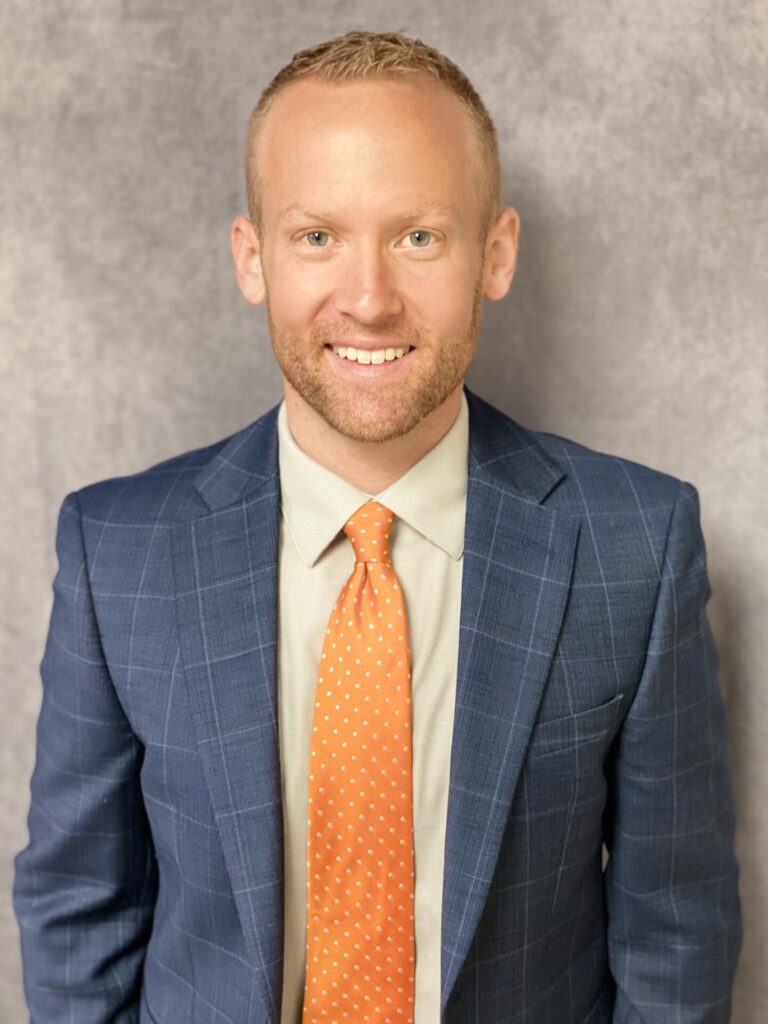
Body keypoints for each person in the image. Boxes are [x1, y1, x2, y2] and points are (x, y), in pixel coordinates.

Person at [13, 29, 742, 1024]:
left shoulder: (636, 546)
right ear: (253, 257)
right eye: (317, 236)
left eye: (418, 237)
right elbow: (77, 909)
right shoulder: (119, 551)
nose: (367, 299)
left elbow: (674, 928)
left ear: (494, 253)